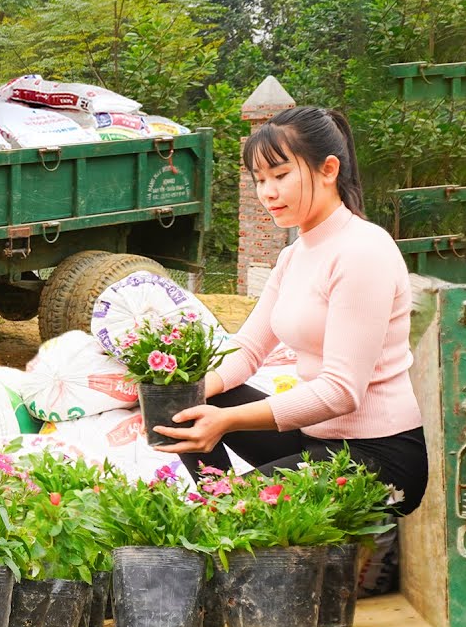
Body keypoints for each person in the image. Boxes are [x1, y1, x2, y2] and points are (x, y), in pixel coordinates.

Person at [153, 106, 427, 516]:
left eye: (280, 176)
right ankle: (221, 503)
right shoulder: (295, 255)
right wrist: (185, 393)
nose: (267, 192)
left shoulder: (363, 252)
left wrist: (227, 421)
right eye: (260, 180)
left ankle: (223, 512)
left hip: (378, 459)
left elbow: (341, 391)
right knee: (182, 400)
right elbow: (247, 350)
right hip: (315, 442)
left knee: (224, 504)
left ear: (328, 170)